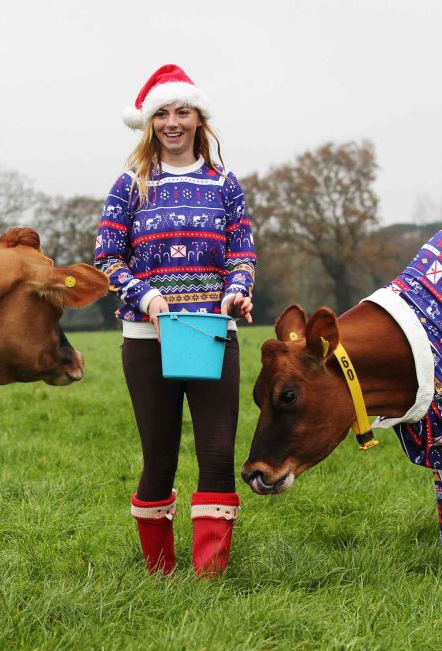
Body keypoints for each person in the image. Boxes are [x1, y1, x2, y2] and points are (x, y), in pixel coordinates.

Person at [94, 64, 257, 576]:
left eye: (181, 111)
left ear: (198, 119)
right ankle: (160, 575)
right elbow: (106, 256)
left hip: (211, 334)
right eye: (162, 113)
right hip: (147, 338)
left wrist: (236, 292)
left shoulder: (224, 183)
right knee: (159, 457)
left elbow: (243, 253)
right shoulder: (130, 184)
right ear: (150, 124)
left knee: (216, 452)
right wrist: (144, 296)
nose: (172, 122)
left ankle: (209, 576)